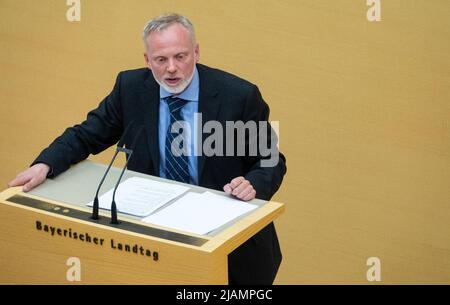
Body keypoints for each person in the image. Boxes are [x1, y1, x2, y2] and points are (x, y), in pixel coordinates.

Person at [8, 13, 287, 285]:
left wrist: (252, 184)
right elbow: (85, 136)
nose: (171, 68)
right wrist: (45, 164)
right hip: (153, 240)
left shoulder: (237, 96)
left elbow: (270, 160)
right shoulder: (130, 88)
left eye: (180, 56)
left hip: (227, 245)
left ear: (196, 52)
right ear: (147, 60)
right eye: (161, 60)